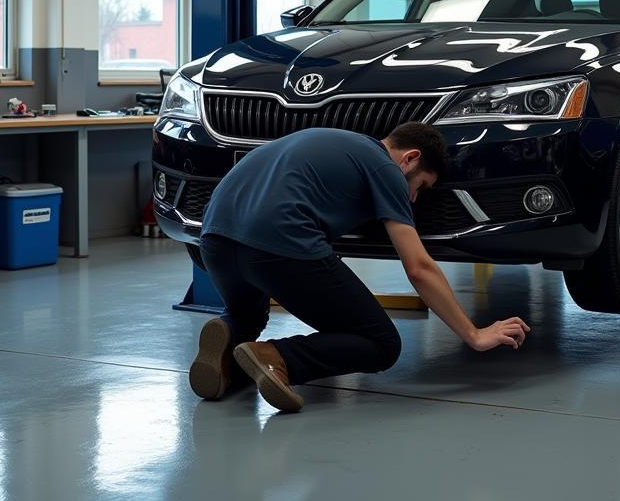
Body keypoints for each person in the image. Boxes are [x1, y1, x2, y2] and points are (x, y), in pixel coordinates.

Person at [189, 121, 530, 413]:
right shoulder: (385, 168)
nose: (413, 198)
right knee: (381, 343)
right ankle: (276, 356)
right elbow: (418, 267)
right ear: (410, 159)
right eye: (420, 186)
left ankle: (229, 338)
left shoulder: (327, 141)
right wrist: (473, 334)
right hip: (279, 243)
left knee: (250, 316)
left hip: (215, 241)